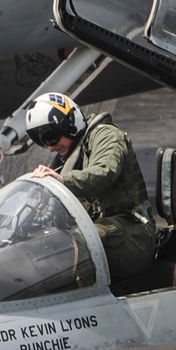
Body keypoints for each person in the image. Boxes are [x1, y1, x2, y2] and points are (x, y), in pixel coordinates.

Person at [28, 93, 155, 285]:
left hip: (131, 230)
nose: (49, 148)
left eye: (50, 137)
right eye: (42, 141)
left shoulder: (106, 135)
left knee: (72, 245)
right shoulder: (71, 154)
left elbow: (104, 171)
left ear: (69, 124)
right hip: (105, 229)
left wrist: (62, 180)